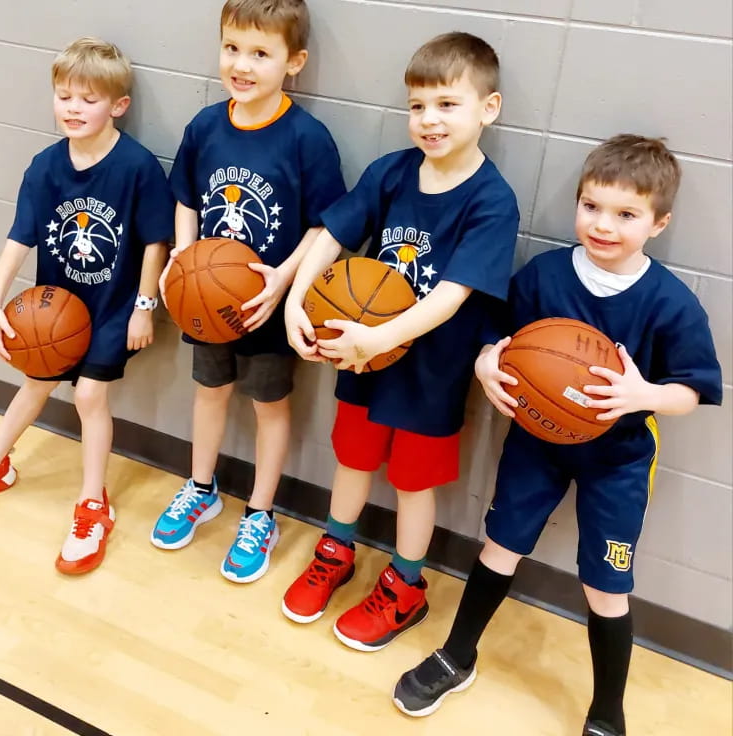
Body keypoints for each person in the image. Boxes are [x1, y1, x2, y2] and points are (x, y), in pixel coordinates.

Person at [392, 135, 723, 736]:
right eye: (592, 206)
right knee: (501, 546)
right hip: (536, 443)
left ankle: (607, 710)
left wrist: (642, 395)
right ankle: (457, 655)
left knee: (606, 584)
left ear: (659, 222)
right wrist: (488, 361)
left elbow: (693, 391)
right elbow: (496, 336)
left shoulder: (671, 304)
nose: (603, 225)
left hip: (618, 459)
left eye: (626, 214)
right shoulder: (544, 275)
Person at [281, 32, 519, 651]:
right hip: (363, 359)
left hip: (430, 375)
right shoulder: (391, 172)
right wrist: (295, 302)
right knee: (352, 460)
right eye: (417, 106)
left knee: (414, 483)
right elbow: (331, 234)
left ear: (487, 109)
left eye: (447, 104)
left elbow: (453, 296)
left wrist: (375, 336)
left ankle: (406, 587)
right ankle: (336, 550)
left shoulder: (492, 201)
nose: (429, 120)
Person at [0, 37, 173, 576]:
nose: (73, 109)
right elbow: (20, 238)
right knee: (35, 383)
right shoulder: (44, 166)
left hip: (111, 308)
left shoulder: (137, 167)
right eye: (64, 96)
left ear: (119, 106)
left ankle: (93, 505)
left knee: (89, 396)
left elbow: (158, 242)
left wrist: (144, 306)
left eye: (87, 99)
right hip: (56, 308)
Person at [150, 0, 346, 584]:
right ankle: (201, 488)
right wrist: (183, 257)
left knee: (269, 406)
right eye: (233, 48)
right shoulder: (205, 126)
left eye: (261, 53)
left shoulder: (308, 138)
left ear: (294, 62)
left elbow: (325, 224)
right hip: (206, 299)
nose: (242, 64)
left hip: (265, 302)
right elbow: (186, 196)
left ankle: (261, 513)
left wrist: (284, 278)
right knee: (208, 392)